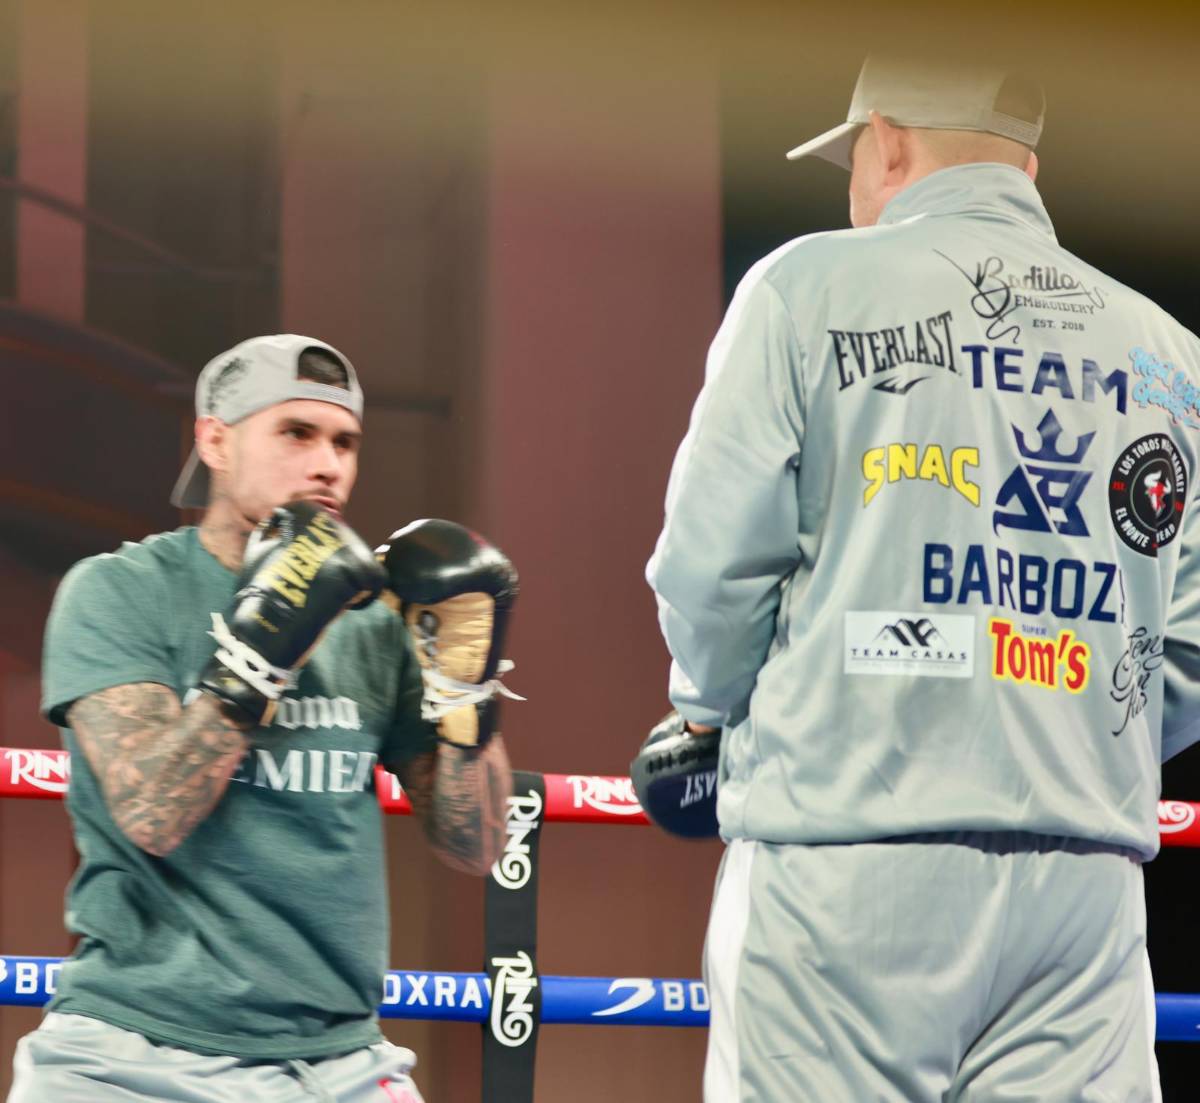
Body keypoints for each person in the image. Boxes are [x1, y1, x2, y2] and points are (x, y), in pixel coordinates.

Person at [646, 55, 1200, 1101]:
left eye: (854, 155)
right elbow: (1189, 649)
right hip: (1085, 891)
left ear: (889, 143)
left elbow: (709, 569)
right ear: (1026, 165)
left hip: (847, 857)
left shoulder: (805, 286)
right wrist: (1069, 714)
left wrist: (718, 713)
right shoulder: (1169, 352)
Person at [8, 334, 516, 1103]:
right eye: (296, 433)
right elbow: (152, 811)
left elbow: (474, 842)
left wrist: (466, 690)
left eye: (345, 442)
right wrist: (261, 649)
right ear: (214, 436)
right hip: (134, 1049)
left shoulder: (374, 620)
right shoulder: (120, 590)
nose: (328, 464)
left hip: (340, 1058)